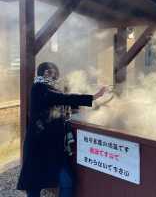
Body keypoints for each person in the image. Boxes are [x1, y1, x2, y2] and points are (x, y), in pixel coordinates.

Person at [17, 62, 106, 197]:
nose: (57, 77)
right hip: (38, 145)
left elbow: (63, 103)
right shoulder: (39, 88)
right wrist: (93, 97)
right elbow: (64, 98)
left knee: (66, 181)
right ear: (47, 73)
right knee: (34, 184)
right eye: (55, 73)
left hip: (52, 145)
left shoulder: (49, 89)